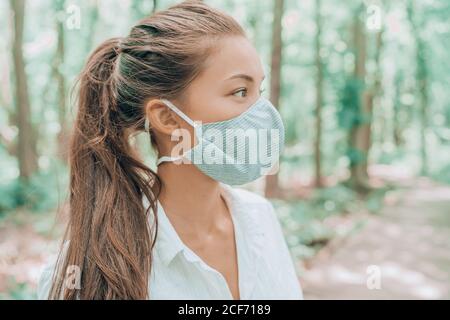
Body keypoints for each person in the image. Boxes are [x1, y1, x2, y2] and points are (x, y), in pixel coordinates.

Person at [37, 0, 303, 300]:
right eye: (240, 91)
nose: (264, 113)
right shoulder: (86, 273)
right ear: (166, 117)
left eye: (259, 91)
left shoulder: (261, 218)